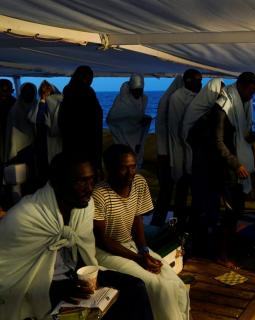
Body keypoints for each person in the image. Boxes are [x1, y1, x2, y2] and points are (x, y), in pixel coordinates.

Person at [0, 152, 153, 320]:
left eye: (91, 180)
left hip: (76, 275)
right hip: (42, 287)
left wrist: (87, 278)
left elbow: (84, 250)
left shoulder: (85, 207)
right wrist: (54, 288)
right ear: (57, 183)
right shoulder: (24, 217)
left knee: (135, 287)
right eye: (81, 182)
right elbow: (6, 276)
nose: (89, 189)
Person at [93, 144, 190, 320]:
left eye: (133, 166)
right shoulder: (99, 194)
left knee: (176, 284)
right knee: (157, 286)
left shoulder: (138, 183)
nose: (131, 173)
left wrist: (144, 251)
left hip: (131, 246)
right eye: (123, 168)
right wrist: (139, 258)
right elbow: (103, 240)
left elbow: (137, 220)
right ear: (109, 169)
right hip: (105, 252)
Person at [212, 71, 255, 268]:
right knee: (229, 213)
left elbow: (241, 134)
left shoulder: (241, 103)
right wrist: (235, 163)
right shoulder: (223, 106)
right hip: (228, 169)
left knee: (238, 211)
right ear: (241, 86)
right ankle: (222, 254)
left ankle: (229, 249)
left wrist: (251, 137)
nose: (251, 97)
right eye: (250, 92)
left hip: (239, 168)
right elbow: (218, 141)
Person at [182, 78, 224, 256]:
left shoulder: (206, 110)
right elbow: (191, 136)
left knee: (208, 205)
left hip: (206, 164)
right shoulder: (199, 112)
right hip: (199, 164)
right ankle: (198, 245)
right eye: (219, 93)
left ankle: (203, 242)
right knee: (201, 206)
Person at [168, 69, 202, 231]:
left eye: (201, 80)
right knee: (181, 191)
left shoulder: (198, 98)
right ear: (188, 81)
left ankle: (192, 225)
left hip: (194, 153)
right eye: (197, 80)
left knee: (195, 193)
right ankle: (178, 226)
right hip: (182, 151)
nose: (200, 84)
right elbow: (177, 128)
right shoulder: (177, 98)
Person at [59, 65, 103, 172]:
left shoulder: (68, 91)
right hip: (87, 141)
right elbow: (93, 117)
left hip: (71, 140)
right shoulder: (86, 92)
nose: (91, 81)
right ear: (85, 77)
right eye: (90, 78)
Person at [153, 75, 183, 226]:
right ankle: (158, 224)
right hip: (166, 156)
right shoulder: (170, 102)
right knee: (166, 192)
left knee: (167, 193)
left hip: (168, 154)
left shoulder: (167, 101)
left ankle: (161, 222)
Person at [107, 74, 152, 168]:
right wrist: (137, 118)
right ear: (131, 90)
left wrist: (142, 119)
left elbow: (138, 116)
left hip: (137, 136)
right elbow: (112, 118)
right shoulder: (122, 101)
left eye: (140, 90)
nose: (138, 93)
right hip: (123, 136)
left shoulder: (143, 99)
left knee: (137, 159)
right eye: (136, 91)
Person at [28, 80, 63, 189]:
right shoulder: (40, 103)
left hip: (55, 140)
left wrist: (44, 99)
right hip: (43, 140)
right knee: (44, 166)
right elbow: (36, 119)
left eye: (47, 87)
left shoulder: (59, 101)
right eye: (43, 88)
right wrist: (42, 99)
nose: (45, 90)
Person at [0, 79, 16, 163]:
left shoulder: (16, 104)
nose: (4, 93)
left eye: (6, 90)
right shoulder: (16, 103)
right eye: (2, 90)